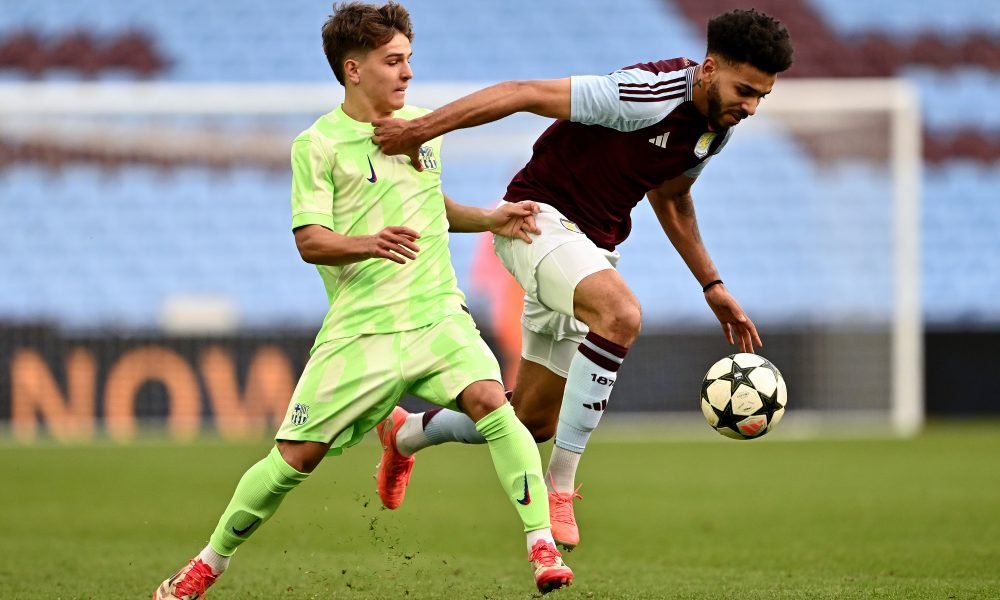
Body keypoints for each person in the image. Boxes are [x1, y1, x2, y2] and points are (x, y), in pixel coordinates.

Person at [151, 3, 574, 598]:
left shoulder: (423, 128)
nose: (408, 72)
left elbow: (428, 204)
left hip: (436, 313)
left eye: (409, 59)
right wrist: (368, 243)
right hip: (361, 329)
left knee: (491, 402)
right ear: (353, 69)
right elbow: (310, 241)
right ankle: (206, 565)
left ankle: (540, 546)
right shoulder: (317, 145)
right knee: (294, 459)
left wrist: (488, 218)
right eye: (393, 61)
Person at [371, 8, 793, 551]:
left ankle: (405, 433)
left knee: (531, 421)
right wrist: (419, 131)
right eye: (745, 91)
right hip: (534, 219)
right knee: (620, 314)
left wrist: (712, 285)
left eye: (762, 96)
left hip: (588, 247)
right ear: (710, 68)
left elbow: (672, 196)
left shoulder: (716, 129)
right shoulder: (643, 94)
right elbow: (522, 92)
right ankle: (561, 488)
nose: (751, 107)